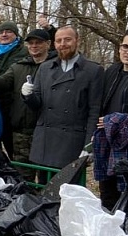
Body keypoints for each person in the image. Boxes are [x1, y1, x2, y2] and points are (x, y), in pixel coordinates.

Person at [23, 26, 104, 171]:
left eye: (67, 40)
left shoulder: (93, 70)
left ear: (77, 41)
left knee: (68, 185)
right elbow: (37, 106)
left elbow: (94, 111)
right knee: (43, 183)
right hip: (45, 141)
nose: (63, 44)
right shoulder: (45, 68)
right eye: (59, 40)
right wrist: (28, 95)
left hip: (72, 143)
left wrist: (89, 146)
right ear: (54, 44)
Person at [0, 29, 56, 180]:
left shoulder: (56, 66)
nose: (34, 46)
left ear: (48, 44)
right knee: (23, 176)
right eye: (31, 43)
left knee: (47, 178)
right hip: (22, 131)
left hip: (47, 131)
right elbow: (4, 83)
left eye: (38, 43)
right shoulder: (19, 66)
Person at [93, 29, 128, 208]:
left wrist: (117, 120)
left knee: (126, 199)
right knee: (107, 195)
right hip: (107, 145)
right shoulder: (112, 72)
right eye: (126, 46)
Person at [0, 21, 29, 158]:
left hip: (13, 107)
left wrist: (49, 29)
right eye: (1, 32)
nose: (4, 34)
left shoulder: (24, 52)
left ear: (16, 35)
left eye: (9, 31)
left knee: (13, 149)